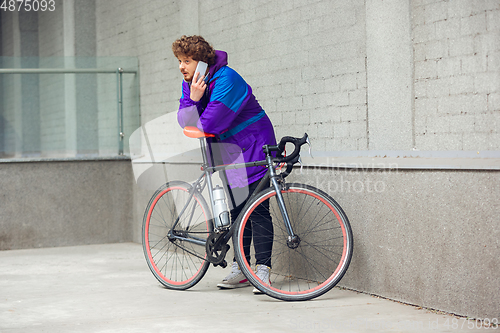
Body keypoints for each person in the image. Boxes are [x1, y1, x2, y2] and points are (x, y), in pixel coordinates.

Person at [172, 35, 276, 293]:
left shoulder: (228, 79)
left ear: (202, 61)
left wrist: (195, 104)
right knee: (237, 210)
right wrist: (193, 99)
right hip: (227, 150)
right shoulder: (192, 82)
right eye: (179, 61)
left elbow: (209, 124)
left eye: (187, 61)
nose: (181, 67)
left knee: (257, 208)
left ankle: (263, 270)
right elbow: (185, 123)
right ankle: (242, 267)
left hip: (253, 145)